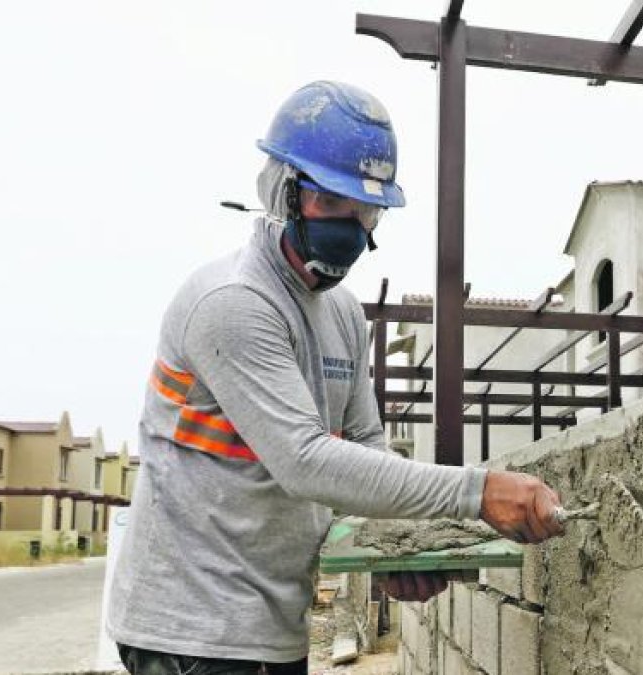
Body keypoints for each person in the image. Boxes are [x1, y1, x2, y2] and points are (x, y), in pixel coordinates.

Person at [107, 81, 565, 674]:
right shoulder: (234, 303)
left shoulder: (345, 315)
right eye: (332, 202)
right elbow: (305, 461)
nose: (351, 227)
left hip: (271, 622)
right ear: (283, 192)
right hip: (192, 631)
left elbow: (367, 449)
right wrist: (479, 492)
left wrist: (393, 550)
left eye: (366, 210)